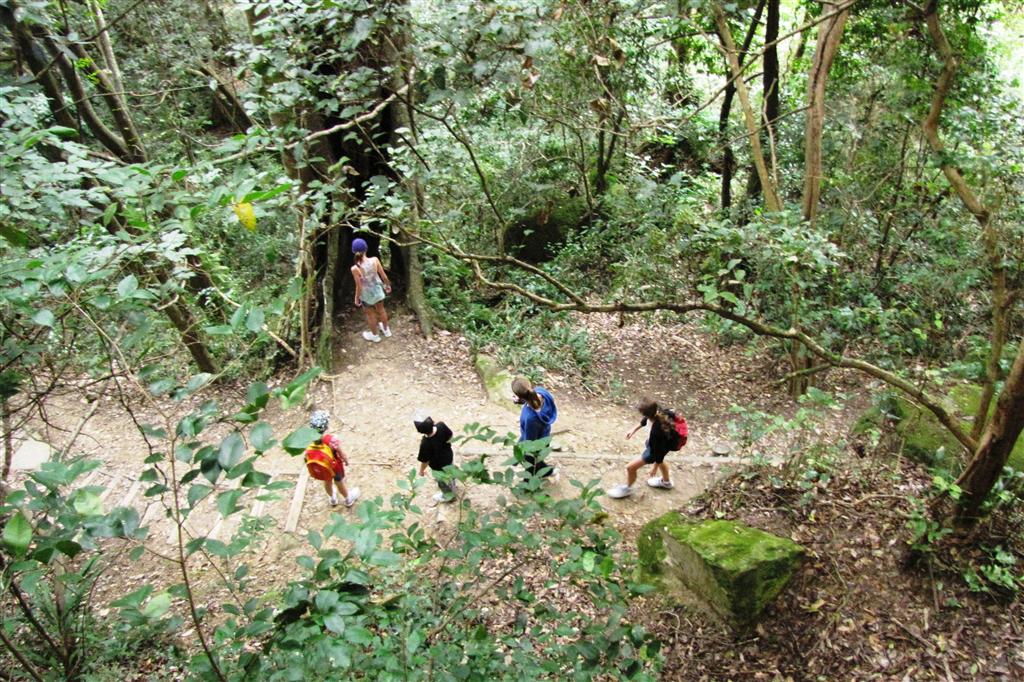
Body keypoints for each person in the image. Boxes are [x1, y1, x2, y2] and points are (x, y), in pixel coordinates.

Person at [608, 398, 676, 499]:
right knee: (661, 461)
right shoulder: (659, 412)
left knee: (630, 467)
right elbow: (645, 421)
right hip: (660, 445)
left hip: (656, 449)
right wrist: (633, 430)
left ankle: (627, 488)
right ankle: (666, 482)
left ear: (645, 414)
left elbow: (658, 453)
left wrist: (654, 467)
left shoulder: (657, 432)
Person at [309, 410, 360, 507]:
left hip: (323, 466)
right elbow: (341, 453)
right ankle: (348, 498)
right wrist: (346, 460)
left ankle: (332, 498)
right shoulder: (331, 440)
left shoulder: (311, 439)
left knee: (327, 482)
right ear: (326, 426)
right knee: (339, 481)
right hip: (334, 466)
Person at [511, 377, 558, 480]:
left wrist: (525, 450)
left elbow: (530, 441)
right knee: (528, 456)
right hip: (544, 435)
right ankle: (516, 461)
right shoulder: (542, 392)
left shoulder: (530, 418)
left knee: (531, 463)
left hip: (534, 443)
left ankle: (548, 473)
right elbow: (533, 400)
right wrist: (520, 401)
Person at [350, 237, 392, 343]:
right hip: (378, 291)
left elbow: (359, 286)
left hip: (366, 295)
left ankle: (375, 335)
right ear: (366, 249)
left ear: (353, 251)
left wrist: (357, 298)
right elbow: (383, 276)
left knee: (370, 315)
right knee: (381, 310)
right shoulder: (375, 260)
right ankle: (387, 331)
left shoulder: (355, 268)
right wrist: (387, 285)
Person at [414, 415, 457, 503]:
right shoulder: (441, 425)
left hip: (438, 467)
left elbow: (425, 461)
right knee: (451, 472)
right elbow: (450, 436)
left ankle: (448, 496)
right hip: (448, 457)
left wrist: (421, 471)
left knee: (442, 482)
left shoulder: (425, 444)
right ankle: (453, 484)